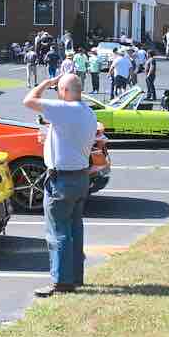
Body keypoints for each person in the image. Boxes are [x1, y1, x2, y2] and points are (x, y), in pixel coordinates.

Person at [22, 74, 98, 297]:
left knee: (57, 232)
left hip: (62, 180)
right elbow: (71, 139)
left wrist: (45, 83)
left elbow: (28, 100)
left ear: (63, 90)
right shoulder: (87, 112)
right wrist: (51, 140)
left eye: (57, 90)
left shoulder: (65, 109)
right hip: (80, 177)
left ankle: (61, 282)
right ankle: (75, 277)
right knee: (74, 229)